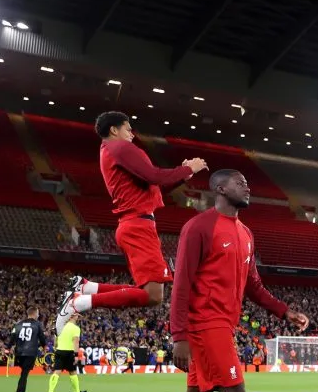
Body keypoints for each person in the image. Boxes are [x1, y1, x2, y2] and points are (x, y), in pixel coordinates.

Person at [120, 169, 309, 392]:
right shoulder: (199, 227)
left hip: (224, 324)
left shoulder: (246, 234)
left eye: (247, 183)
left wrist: (284, 311)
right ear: (220, 188)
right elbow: (180, 285)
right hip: (205, 323)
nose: (246, 186)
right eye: (240, 182)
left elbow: (253, 286)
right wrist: (179, 335)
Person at [54, 111, 208, 335]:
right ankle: (78, 302)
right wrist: (188, 168)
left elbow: (154, 186)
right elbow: (155, 175)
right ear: (114, 130)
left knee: (147, 292)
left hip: (135, 223)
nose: (132, 135)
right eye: (128, 129)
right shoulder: (119, 148)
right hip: (138, 225)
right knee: (153, 295)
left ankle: (87, 288)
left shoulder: (112, 152)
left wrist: (183, 176)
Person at [10, 307, 46, 392]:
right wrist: (44, 347)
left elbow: (12, 336)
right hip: (30, 352)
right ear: (34, 314)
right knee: (24, 374)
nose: (38, 315)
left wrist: (9, 347)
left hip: (19, 353)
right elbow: (42, 338)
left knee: (24, 373)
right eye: (38, 313)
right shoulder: (37, 324)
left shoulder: (18, 324)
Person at [47, 313, 87, 392]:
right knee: (72, 372)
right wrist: (76, 355)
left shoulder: (60, 326)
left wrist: (56, 347)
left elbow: (55, 341)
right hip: (69, 352)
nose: (78, 317)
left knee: (56, 372)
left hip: (59, 350)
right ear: (72, 316)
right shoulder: (75, 328)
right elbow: (76, 342)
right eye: (77, 315)